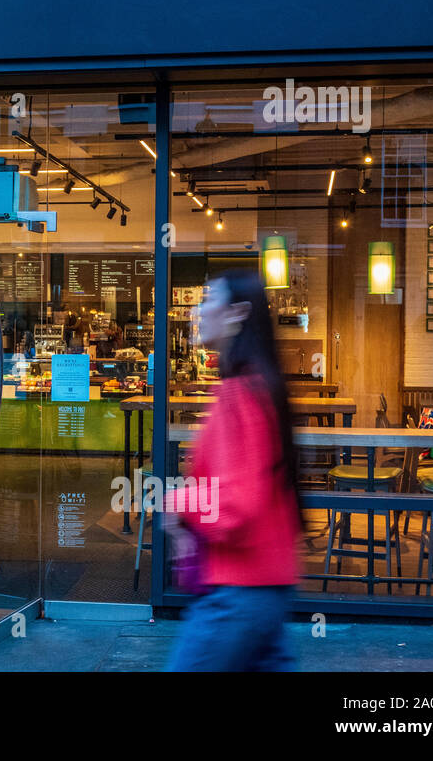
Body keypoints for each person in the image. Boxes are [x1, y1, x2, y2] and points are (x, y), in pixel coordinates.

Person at [164, 269, 302, 672]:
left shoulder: (237, 395)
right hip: (268, 587)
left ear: (238, 313)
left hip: (235, 593)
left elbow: (235, 508)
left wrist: (179, 502)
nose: (197, 308)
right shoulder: (262, 388)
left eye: (208, 299)